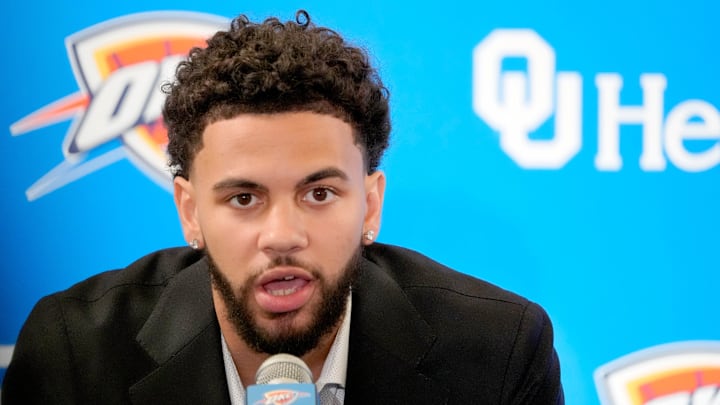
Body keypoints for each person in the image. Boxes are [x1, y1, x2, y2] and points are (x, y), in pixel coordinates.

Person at [2, 10, 563, 404]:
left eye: (319, 194)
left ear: (369, 207)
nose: (283, 234)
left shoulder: (497, 353)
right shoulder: (76, 354)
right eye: (244, 199)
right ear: (191, 212)